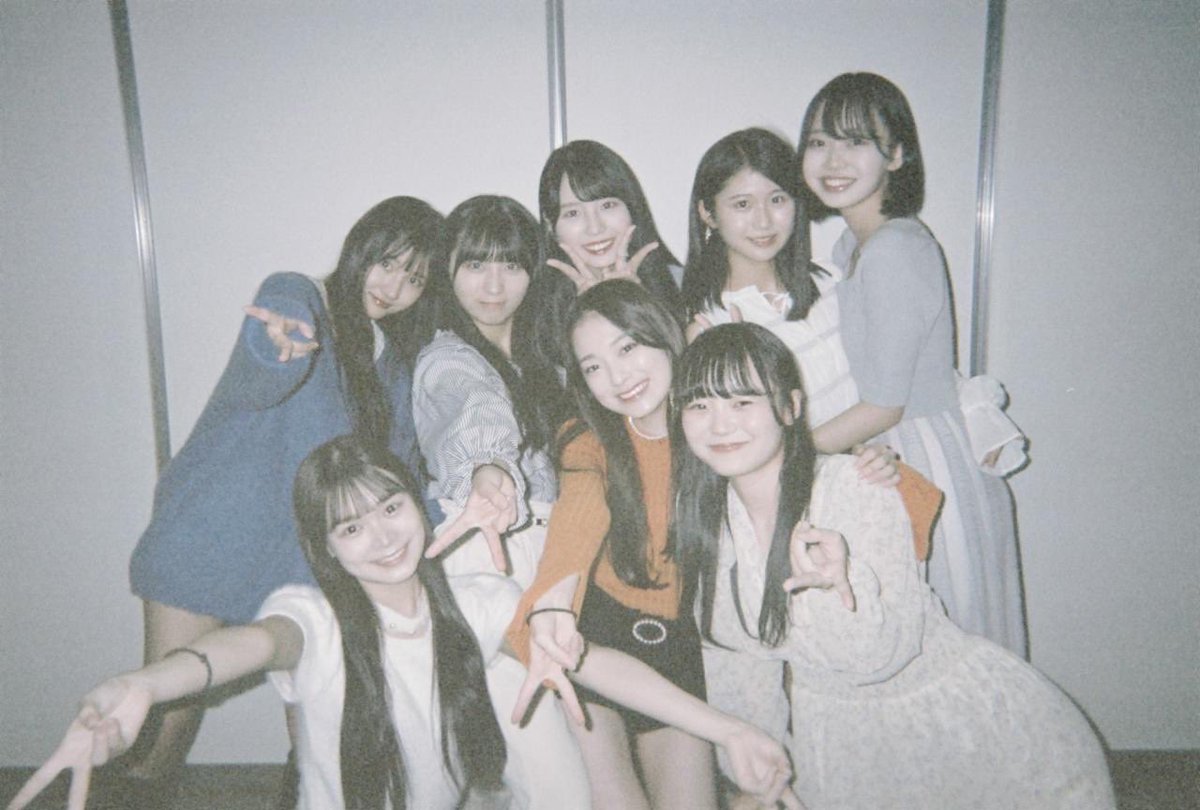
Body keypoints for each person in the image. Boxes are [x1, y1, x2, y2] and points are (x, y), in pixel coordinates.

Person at [11, 435, 800, 810]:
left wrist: (725, 728)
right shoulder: (315, 617)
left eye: (391, 508)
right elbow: (245, 647)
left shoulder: (476, 597)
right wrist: (147, 685)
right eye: (351, 527)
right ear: (325, 548)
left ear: (418, 507)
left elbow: (588, 660)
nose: (383, 537)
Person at [671, 323, 1115, 809]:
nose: (719, 425)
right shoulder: (709, 522)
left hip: (963, 734)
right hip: (839, 747)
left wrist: (837, 590)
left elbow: (878, 659)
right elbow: (735, 665)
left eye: (742, 402)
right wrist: (755, 769)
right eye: (699, 405)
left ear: (790, 408)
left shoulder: (855, 487)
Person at [506, 280, 895, 809]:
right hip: (597, 636)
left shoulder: (714, 432)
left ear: (666, 336)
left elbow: (784, 457)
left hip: (684, 647)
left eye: (628, 347)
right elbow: (581, 505)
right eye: (593, 366)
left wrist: (875, 465)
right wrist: (554, 596)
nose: (617, 377)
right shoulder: (589, 438)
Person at [118, 196, 442, 803]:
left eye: (414, 277)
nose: (394, 286)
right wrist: (276, 346)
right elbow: (265, 359)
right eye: (386, 262)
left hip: (304, 564)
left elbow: (398, 470)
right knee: (163, 726)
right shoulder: (301, 297)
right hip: (213, 534)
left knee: (318, 733)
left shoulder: (392, 363)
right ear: (359, 247)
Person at [798, 72, 1025, 654]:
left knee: (941, 643)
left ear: (896, 155)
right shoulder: (854, 246)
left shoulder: (894, 249)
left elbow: (884, 405)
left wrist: (792, 455)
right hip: (890, 452)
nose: (833, 160)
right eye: (819, 142)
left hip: (919, 456)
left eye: (856, 142)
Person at [410, 195, 587, 807]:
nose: (493, 285)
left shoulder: (544, 354)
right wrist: (488, 469)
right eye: (474, 264)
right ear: (447, 270)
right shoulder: (445, 358)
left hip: (553, 554)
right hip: (489, 551)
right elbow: (475, 409)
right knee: (552, 770)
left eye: (510, 265)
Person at [683, 127, 861, 439]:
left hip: (881, 457)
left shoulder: (832, 278)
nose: (764, 221)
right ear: (708, 213)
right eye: (742, 204)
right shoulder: (711, 327)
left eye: (777, 199)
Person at [533, 140, 685, 370]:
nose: (595, 228)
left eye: (607, 206)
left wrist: (633, 305)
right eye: (572, 213)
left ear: (632, 208)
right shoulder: (538, 313)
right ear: (550, 226)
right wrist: (587, 313)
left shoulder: (683, 287)